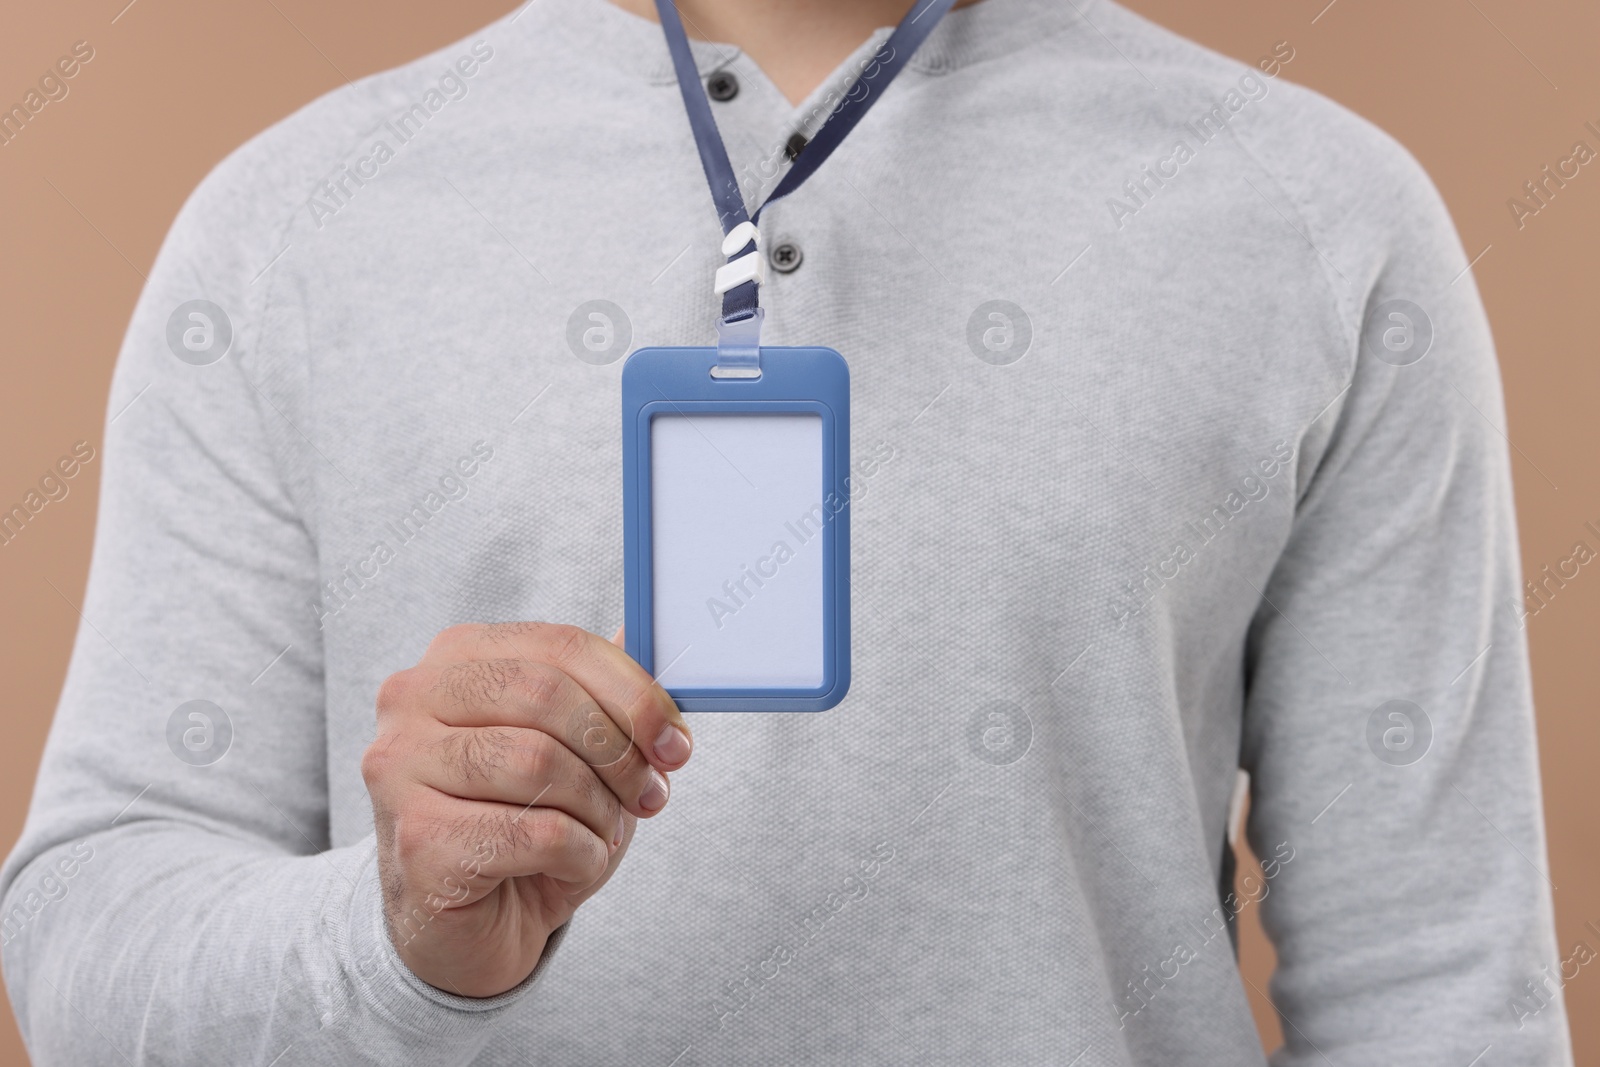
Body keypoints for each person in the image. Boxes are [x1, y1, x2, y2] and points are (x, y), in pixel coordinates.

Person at [0, 0, 1573, 1062]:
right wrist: (393, 932)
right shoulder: (293, 228)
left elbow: (1439, 996)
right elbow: (80, 942)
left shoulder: (1321, 223)